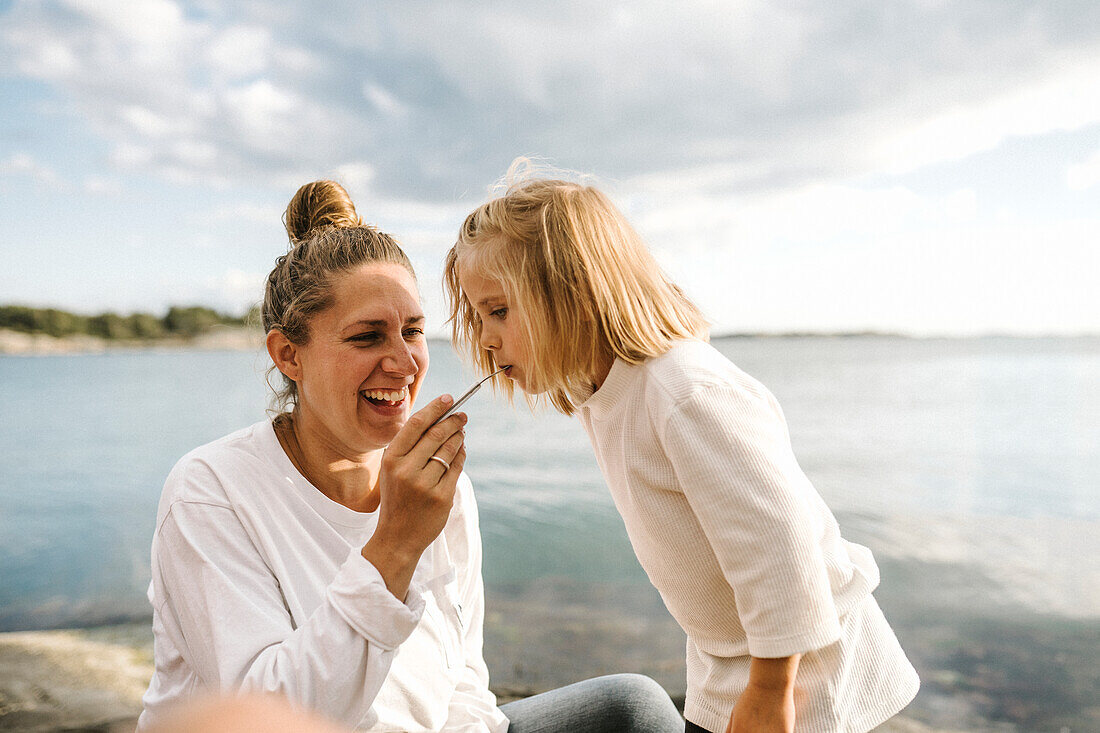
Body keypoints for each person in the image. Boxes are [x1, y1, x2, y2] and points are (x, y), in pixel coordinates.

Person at [138, 180, 684, 733]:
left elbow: (463, 679)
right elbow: (270, 717)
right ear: (289, 355)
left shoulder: (440, 485)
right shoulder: (211, 491)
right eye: (367, 337)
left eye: (414, 331)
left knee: (633, 709)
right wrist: (396, 544)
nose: (404, 363)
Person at [443, 169, 921, 733]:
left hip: (804, 670)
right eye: (478, 317)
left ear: (574, 295)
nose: (486, 338)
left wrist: (770, 691)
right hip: (725, 657)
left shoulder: (685, 392)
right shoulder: (600, 390)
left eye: (499, 311)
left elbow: (780, 544)